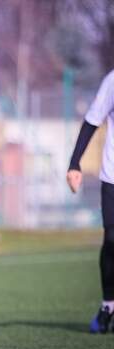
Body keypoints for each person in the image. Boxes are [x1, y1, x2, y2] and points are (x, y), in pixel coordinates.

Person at [67, 70, 114, 334]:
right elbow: (92, 121)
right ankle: (108, 305)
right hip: (113, 177)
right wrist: (75, 162)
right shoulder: (113, 81)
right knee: (112, 240)